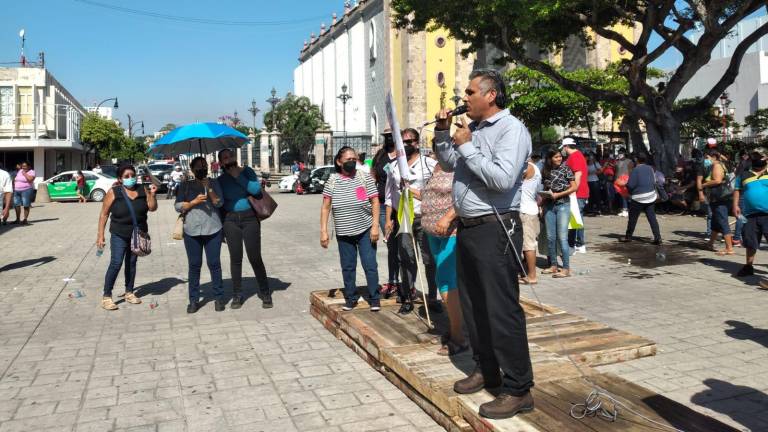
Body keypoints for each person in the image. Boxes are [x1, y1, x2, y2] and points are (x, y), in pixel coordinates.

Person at [434, 69, 534, 419]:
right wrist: (444, 132)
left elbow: (503, 178)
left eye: (471, 91)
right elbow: (448, 162)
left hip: (496, 228)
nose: (465, 97)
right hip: (470, 228)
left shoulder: (511, 130)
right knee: (475, 305)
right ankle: (486, 368)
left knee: (500, 308)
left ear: (491, 95)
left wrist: (467, 147)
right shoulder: (472, 130)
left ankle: (519, 388)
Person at [384, 128, 440, 315]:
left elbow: (438, 190)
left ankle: (432, 297)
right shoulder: (393, 166)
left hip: (426, 217)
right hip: (404, 217)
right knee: (406, 258)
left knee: (429, 259)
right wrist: (389, 219)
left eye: (409, 141)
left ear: (417, 142)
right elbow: (390, 194)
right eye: (402, 142)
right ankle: (407, 296)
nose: (406, 145)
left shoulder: (430, 163)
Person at [320, 147, 381, 311]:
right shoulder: (332, 181)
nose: (352, 162)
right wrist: (324, 231)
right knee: (348, 266)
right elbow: (326, 207)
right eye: (348, 160)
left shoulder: (363, 177)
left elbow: (375, 201)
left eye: (354, 159)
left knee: (370, 265)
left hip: (365, 229)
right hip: (343, 232)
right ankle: (351, 298)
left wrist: (375, 226)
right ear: (339, 162)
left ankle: (374, 298)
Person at [97, 164, 158, 310]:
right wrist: (100, 235)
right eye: (126, 176)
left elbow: (152, 208)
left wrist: (152, 194)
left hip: (137, 234)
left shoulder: (142, 189)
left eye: (132, 175)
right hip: (119, 233)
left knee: (131, 263)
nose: (131, 178)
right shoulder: (114, 192)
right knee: (116, 262)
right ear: (120, 179)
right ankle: (106, 296)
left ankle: (129, 292)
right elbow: (104, 214)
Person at [217, 149, 273, 308]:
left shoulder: (246, 171)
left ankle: (265, 291)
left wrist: (238, 177)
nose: (229, 160)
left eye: (231, 156)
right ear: (221, 163)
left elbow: (256, 190)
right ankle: (237, 294)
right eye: (225, 158)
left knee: (254, 257)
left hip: (250, 218)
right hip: (230, 220)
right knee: (236, 259)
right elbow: (220, 202)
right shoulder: (221, 180)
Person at [421, 161, 467, 356]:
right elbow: (431, 195)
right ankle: (456, 326)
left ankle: (459, 337)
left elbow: (465, 196)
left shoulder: (461, 165)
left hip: (452, 233)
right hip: (434, 234)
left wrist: (448, 217)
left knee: (448, 283)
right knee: (443, 282)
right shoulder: (437, 165)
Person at [175, 157, 225, 313]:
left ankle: (218, 297)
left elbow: (219, 203)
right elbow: (177, 206)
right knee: (194, 265)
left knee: (214, 263)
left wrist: (209, 188)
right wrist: (193, 202)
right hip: (192, 230)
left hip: (213, 228)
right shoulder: (185, 185)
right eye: (197, 167)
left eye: (203, 166)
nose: (201, 169)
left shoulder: (214, 182)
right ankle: (193, 300)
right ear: (192, 168)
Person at [372, 129, 400, 297]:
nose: (389, 139)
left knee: (404, 247)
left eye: (391, 135)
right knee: (392, 245)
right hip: (383, 207)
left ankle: (406, 283)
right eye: (386, 136)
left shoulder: (403, 155)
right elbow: (373, 178)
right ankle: (393, 281)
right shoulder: (380, 156)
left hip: (402, 207)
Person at [541, 150, 578, 277]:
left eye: (560, 156)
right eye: (556, 157)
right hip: (548, 206)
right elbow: (545, 189)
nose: (559, 159)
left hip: (563, 205)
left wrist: (558, 195)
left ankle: (566, 268)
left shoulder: (566, 169)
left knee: (562, 238)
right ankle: (553, 265)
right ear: (550, 158)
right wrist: (542, 202)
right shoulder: (545, 170)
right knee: (550, 238)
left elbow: (574, 187)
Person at [733, 152, 768, 278]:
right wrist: (735, 205)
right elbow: (737, 190)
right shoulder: (743, 175)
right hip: (750, 214)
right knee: (750, 241)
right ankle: (748, 266)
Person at [618, 154, 662, 244]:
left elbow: (631, 185)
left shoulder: (635, 170)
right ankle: (658, 238)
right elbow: (654, 181)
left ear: (636, 159)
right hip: (650, 197)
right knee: (652, 218)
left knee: (633, 218)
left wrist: (625, 186)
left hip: (638, 198)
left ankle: (628, 236)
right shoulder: (650, 168)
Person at [700, 149, 734, 254]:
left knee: (722, 221)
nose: (706, 160)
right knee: (715, 221)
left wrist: (703, 185)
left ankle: (729, 248)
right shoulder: (719, 164)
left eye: (707, 158)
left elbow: (717, 180)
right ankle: (710, 243)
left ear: (713, 157)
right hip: (718, 198)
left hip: (720, 198)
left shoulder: (717, 166)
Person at [560, 138, 588, 253]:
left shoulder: (574, 156)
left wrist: (573, 190)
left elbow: (578, 174)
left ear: (566, 146)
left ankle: (578, 244)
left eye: (563, 148)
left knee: (576, 218)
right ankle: (577, 244)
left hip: (577, 192)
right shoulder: (578, 155)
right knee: (576, 218)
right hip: (579, 192)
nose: (563, 150)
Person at [519, 158, 542, 284]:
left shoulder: (527, 167)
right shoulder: (536, 167)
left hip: (526, 211)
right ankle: (525, 271)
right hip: (531, 209)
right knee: (528, 244)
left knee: (528, 246)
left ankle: (532, 276)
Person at [732, 150, 751, 247]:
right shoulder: (748, 164)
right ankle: (737, 238)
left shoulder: (740, 164)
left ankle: (738, 238)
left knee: (741, 216)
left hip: (741, 191)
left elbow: (736, 176)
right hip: (745, 192)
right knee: (742, 216)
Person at [614, 149, 634, 217]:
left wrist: (630, 180)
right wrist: (615, 180)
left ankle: (626, 210)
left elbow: (631, 171)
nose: (620, 154)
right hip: (618, 181)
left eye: (621, 153)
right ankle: (624, 209)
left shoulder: (629, 161)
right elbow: (616, 172)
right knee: (621, 195)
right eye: (619, 153)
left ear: (624, 153)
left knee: (625, 195)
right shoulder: (617, 162)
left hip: (626, 180)